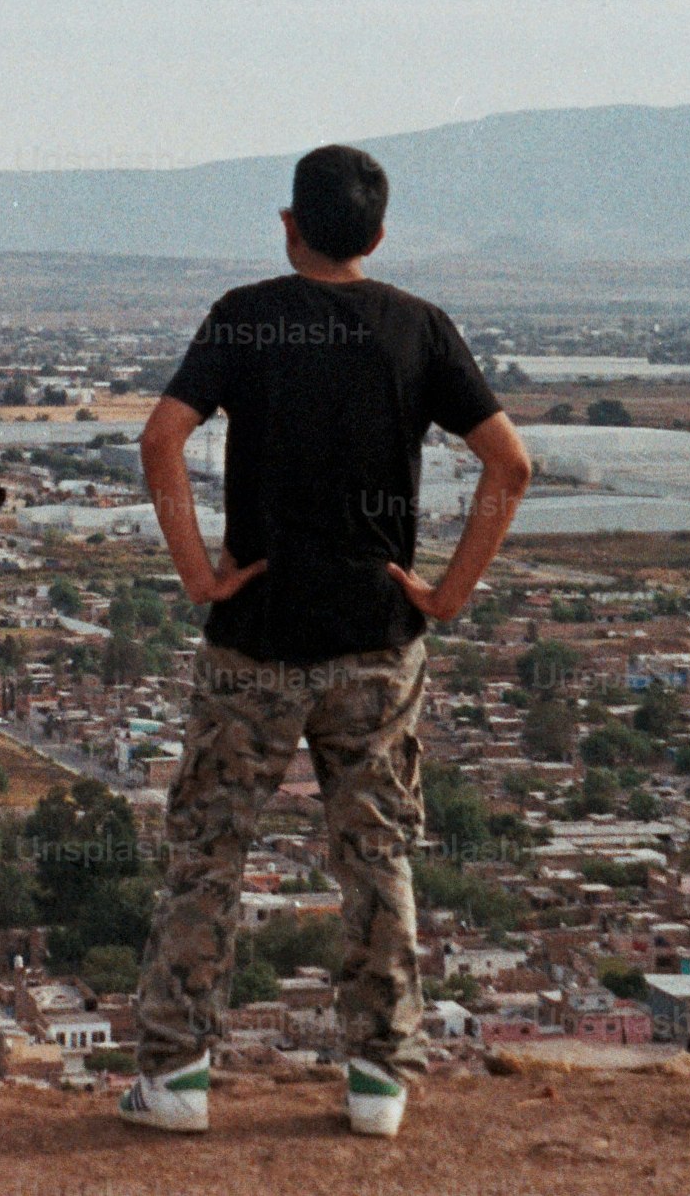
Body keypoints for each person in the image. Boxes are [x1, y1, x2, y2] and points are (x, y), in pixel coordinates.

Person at [119, 143, 533, 1139]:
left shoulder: (243, 314)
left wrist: (197, 576)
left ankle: (175, 1079)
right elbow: (509, 465)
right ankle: (377, 1082)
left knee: (207, 851)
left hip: (253, 635)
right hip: (376, 642)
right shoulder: (417, 327)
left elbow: (158, 438)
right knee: (374, 852)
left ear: (287, 224)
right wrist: (445, 595)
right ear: (379, 236)